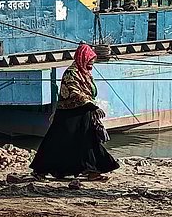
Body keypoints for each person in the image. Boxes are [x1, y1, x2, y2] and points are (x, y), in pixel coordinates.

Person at [31, 43, 119, 180]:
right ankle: (39, 171)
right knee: (56, 142)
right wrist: (92, 106)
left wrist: (91, 107)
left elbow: (90, 92)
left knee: (88, 141)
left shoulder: (85, 73)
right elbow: (74, 92)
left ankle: (92, 171)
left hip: (83, 113)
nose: (92, 63)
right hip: (68, 115)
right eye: (90, 60)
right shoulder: (71, 73)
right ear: (83, 58)